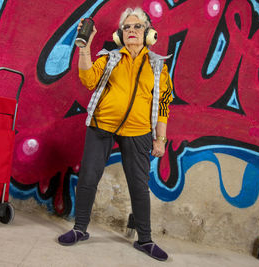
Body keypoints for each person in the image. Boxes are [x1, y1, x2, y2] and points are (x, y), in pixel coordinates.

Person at [58, 7, 173, 261]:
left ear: (149, 33)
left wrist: (160, 138)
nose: (132, 31)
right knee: (88, 178)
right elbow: (88, 79)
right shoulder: (109, 58)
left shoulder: (158, 67)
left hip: (139, 132)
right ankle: (79, 229)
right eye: (127, 27)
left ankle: (145, 240)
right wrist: (84, 47)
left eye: (138, 27)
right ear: (121, 34)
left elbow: (163, 105)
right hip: (102, 127)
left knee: (139, 188)